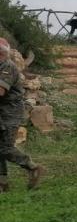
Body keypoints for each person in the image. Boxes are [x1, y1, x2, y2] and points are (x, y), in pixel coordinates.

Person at [0, 37, 43, 192]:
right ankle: (2, 183)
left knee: (5, 149)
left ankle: (32, 167)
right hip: (2, 112)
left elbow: (1, 91)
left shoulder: (7, 67)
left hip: (10, 113)